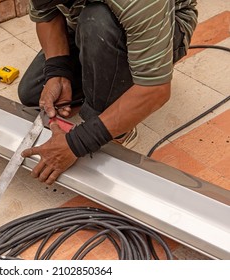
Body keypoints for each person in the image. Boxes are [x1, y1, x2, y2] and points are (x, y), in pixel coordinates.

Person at [18, 0, 198, 185]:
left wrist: (80, 141)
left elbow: (156, 90)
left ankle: (121, 131)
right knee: (32, 93)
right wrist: (58, 72)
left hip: (162, 26)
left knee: (96, 21)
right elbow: (47, 15)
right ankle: (103, 77)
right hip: (87, 22)